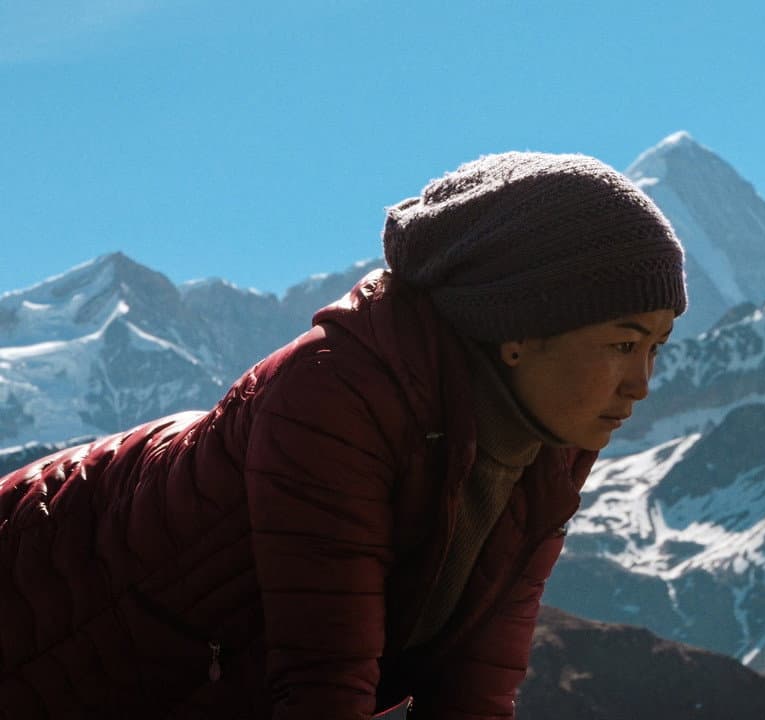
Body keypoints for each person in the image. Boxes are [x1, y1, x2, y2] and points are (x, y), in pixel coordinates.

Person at [0, 152, 686, 719]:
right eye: (623, 344)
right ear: (520, 330)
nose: (642, 383)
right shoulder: (336, 395)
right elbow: (323, 682)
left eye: (657, 346)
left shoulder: (545, 443)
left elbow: (477, 686)